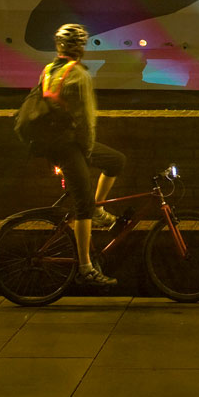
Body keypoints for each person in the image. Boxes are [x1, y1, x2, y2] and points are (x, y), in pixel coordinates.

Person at [34, 23, 125, 287]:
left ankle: (98, 208)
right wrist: (87, 152)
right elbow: (87, 120)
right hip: (70, 146)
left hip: (53, 143)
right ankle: (85, 267)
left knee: (115, 161)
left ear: (58, 46)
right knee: (81, 206)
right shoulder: (80, 76)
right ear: (81, 48)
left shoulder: (49, 70)